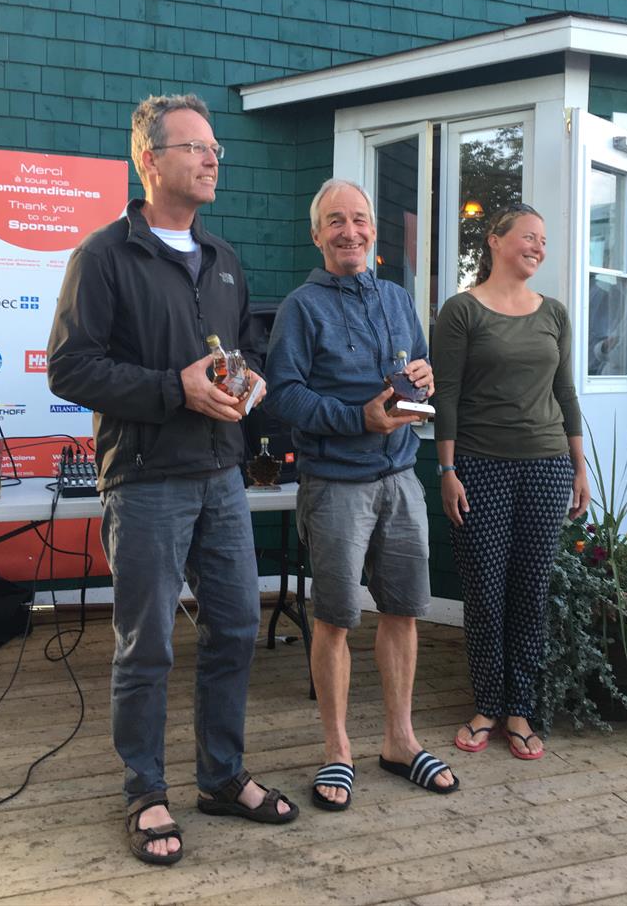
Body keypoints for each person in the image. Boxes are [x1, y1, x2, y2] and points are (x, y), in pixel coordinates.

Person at [47, 93, 298, 867]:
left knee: (232, 629)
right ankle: (145, 790)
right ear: (150, 161)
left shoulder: (222, 260)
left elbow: (232, 356)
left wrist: (243, 383)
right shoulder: (103, 257)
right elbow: (70, 366)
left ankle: (221, 776)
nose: (212, 157)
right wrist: (173, 389)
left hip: (222, 474)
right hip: (146, 480)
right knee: (146, 644)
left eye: (215, 147)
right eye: (195, 147)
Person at [264, 178, 458, 813]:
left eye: (361, 219)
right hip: (336, 484)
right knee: (336, 618)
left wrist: (425, 378)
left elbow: (420, 372)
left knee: (403, 611)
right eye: (336, 221)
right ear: (316, 234)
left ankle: (400, 741)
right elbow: (284, 394)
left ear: (374, 229)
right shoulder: (301, 307)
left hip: (401, 478)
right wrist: (358, 420)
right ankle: (338, 750)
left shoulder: (399, 299)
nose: (351, 231)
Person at [432, 204, 590, 761]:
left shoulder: (555, 313)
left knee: (530, 591)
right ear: (495, 241)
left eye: (543, 241)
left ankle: (520, 710)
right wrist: (446, 470)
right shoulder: (461, 311)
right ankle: (487, 706)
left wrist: (579, 463)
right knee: (485, 590)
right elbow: (444, 395)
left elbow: (565, 393)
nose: (538, 248)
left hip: (547, 464)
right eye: (528, 237)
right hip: (478, 465)